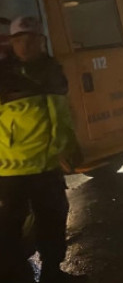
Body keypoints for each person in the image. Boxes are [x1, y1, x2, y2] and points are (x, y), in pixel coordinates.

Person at [0, 16, 82, 283]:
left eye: (32, 40)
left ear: (41, 41)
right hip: (10, 168)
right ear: (12, 43)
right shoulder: (3, 74)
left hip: (46, 165)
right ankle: (13, 273)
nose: (26, 46)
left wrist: (67, 149)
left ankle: (51, 273)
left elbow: (61, 116)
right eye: (20, 40)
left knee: (53, 220)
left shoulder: (52, 70)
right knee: (10, 227)